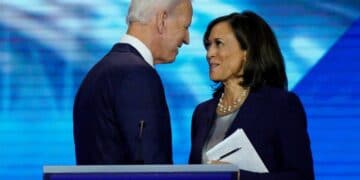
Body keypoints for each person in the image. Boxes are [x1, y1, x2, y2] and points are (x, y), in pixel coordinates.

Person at [188, 11, 314, 179]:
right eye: (208, 45)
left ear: (246, 51)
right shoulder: (202, 112)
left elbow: (301, 176)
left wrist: (239, 177)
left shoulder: (281, 105)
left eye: (219, 44)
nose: (209, 53)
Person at [73, 0, 192, 164]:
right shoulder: (137, 75)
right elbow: (152, 169)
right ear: (162, 20)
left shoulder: (98, 72)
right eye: (185, 27)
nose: (187, 39)